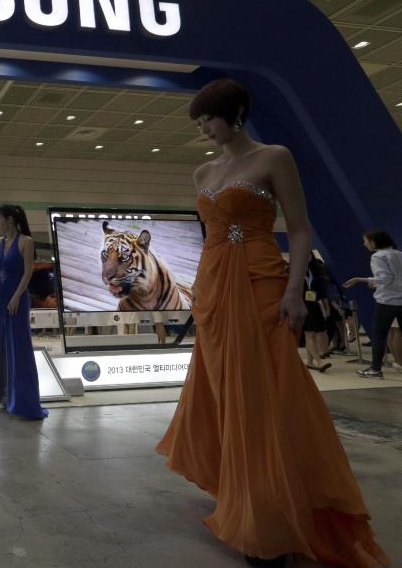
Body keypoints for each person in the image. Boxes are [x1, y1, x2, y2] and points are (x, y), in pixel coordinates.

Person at [156, 79, 388, 568]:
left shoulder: (274, 157)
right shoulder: (204, 172)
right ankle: (239, 490)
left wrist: (294, 290)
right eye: (198, 123)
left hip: (262, 277)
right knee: (224, 389)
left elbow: (300, 229)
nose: (202, 130)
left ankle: (270, 514)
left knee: (266, 392)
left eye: (208, 120)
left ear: (235, 114)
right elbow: (213, 236)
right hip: (216, 287)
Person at [0, 204, 48, 420]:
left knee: (19, 348)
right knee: (1, 346)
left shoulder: (26, 242)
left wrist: (16, 297)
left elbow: (28, 271)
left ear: (10, 220)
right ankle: (4, 395)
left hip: (17, 300)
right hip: (1, 297)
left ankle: (22, 400)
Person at [344, 229, 402, 380]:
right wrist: (375, 282)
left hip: (387, 301)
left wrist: (359, 279)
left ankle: (376, 369)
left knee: (379, 335)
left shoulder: (378, 256)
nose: (365, 244)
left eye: (366, 241)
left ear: (374, 241)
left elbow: (385, 278)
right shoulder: (398, 253)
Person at [303, 255, 333, 372]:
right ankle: (319, 362)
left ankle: (310, 362)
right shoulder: (294, 272)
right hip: (302, 305)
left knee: (313, 334)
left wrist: (326, 307)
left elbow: (322, 291)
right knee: (309, 334)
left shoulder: (314, 271)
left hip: (314, 304)